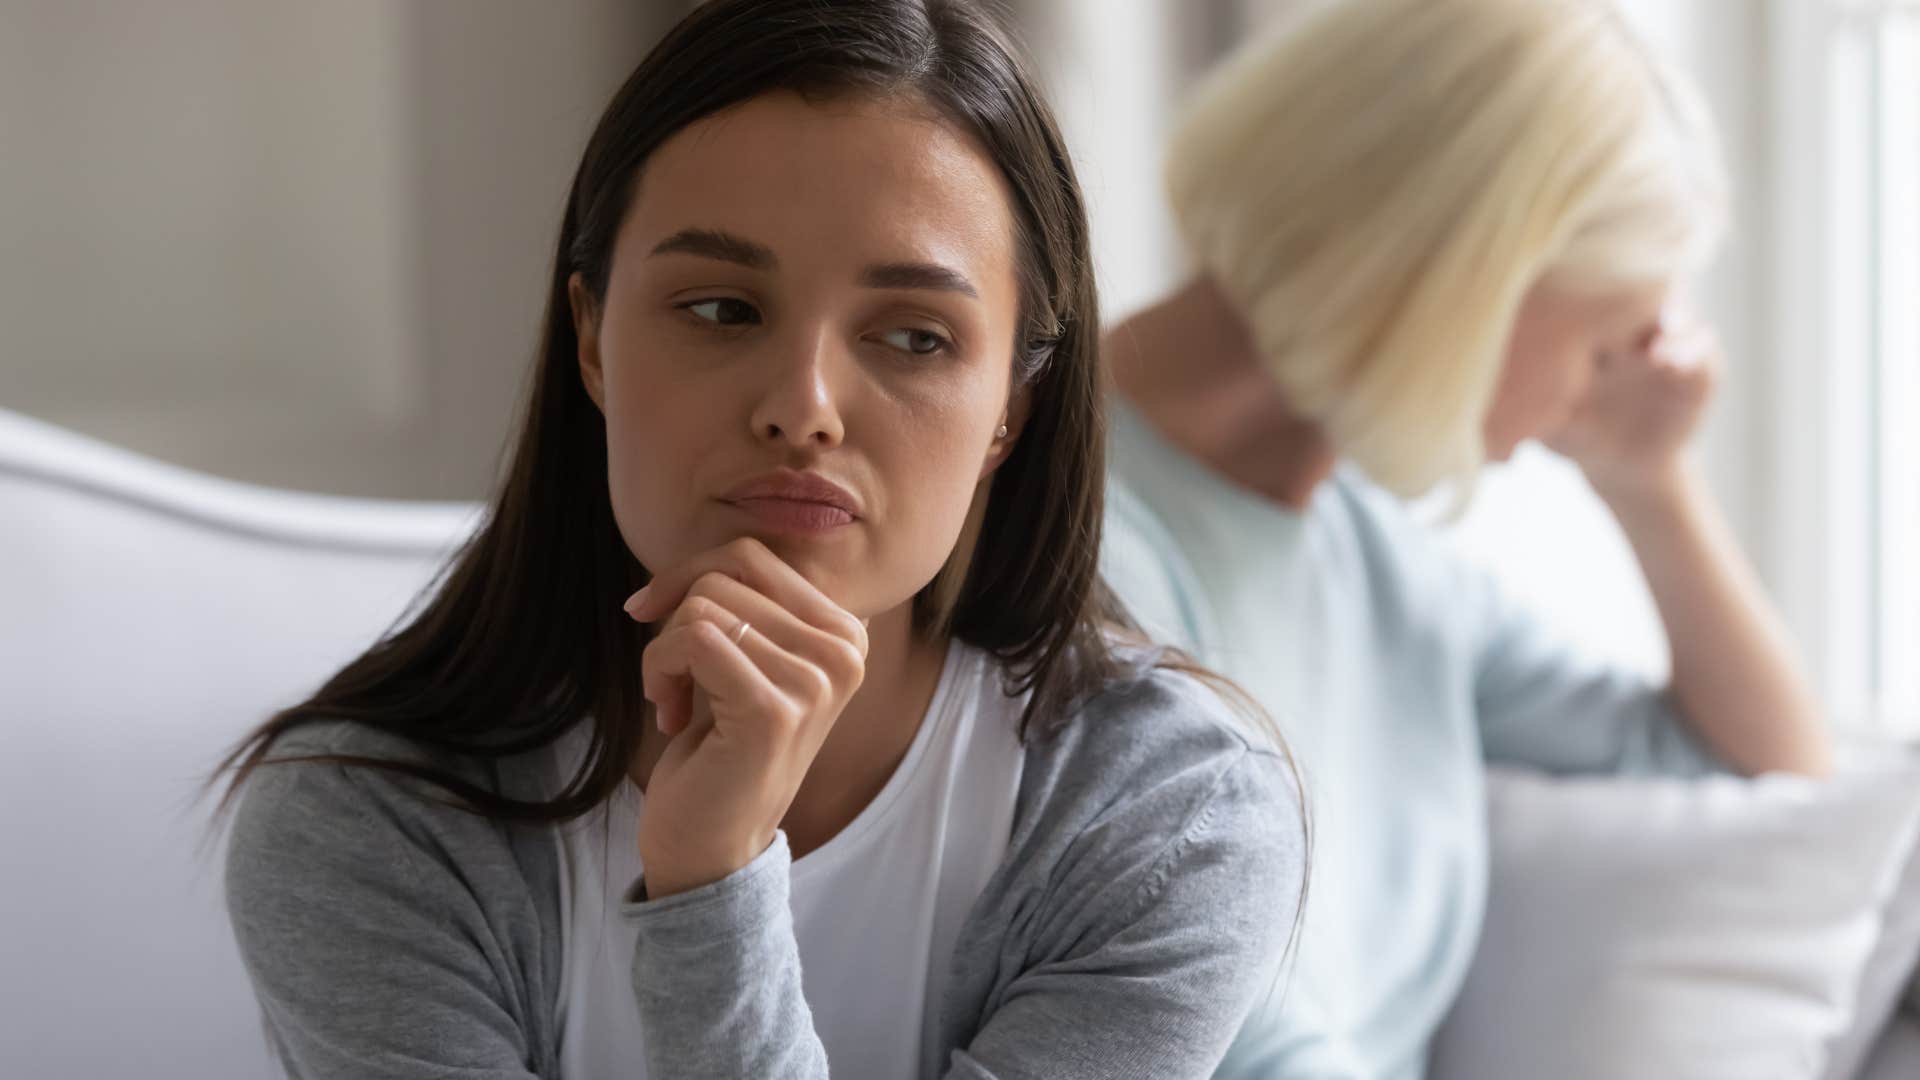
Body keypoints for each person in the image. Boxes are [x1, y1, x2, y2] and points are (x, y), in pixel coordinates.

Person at [214, 1, 1306, 1077]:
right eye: (722, 310)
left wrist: (713, 883)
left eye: (916, 336)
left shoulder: (1170, 819)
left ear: (1011, 408)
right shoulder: (366, 824)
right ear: (593, 342)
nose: (803, 407)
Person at [1097, 0, 1830, 1075]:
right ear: (1468, 280)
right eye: (1605, 344)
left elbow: (1760, 777)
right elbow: (1225, 1031)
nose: (1610, 390)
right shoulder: (1082, 541)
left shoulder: (1381, 567)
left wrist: (1650, 481)